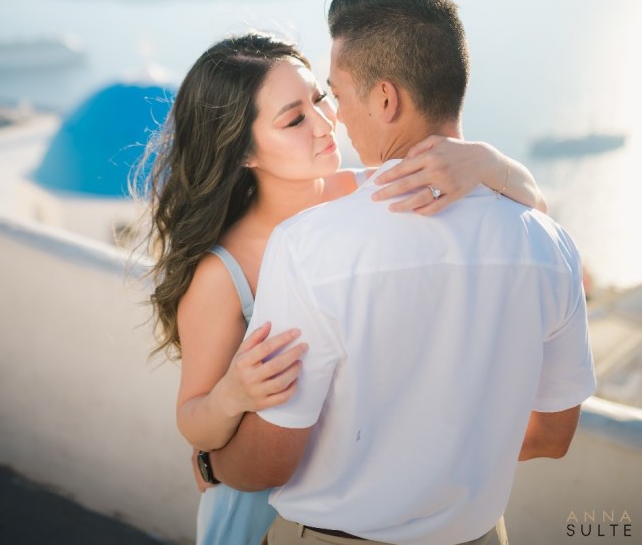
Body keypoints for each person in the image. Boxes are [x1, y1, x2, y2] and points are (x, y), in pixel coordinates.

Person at [205, 0, 597, 545]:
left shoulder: (307, 246)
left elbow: (268, 461)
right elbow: (552, 435)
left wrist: (210, 466)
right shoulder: (550, 244)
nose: (333, 117)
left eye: (336, 94)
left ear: (386, 99)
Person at [143, 29, 548, 545]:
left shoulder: (378, 190)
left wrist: (488, 162)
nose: (325, 122)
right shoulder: (223, 273)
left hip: (403, 497)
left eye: (320, 98)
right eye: (294, 119)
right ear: (242, 151)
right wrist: (231, 396)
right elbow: (193, 422)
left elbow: (533, 217)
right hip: (271, 514)